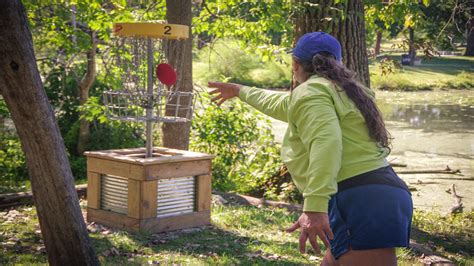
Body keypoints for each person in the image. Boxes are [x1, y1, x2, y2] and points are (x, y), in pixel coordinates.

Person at [208, 32, 413, 265]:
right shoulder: (342, 91)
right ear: (338, 63)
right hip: (374, 191)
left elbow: (326, 143)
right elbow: (280, 104)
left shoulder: (312, 92)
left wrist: (314, 206)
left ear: (295, 64)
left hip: (360, 199)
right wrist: (239, 90)